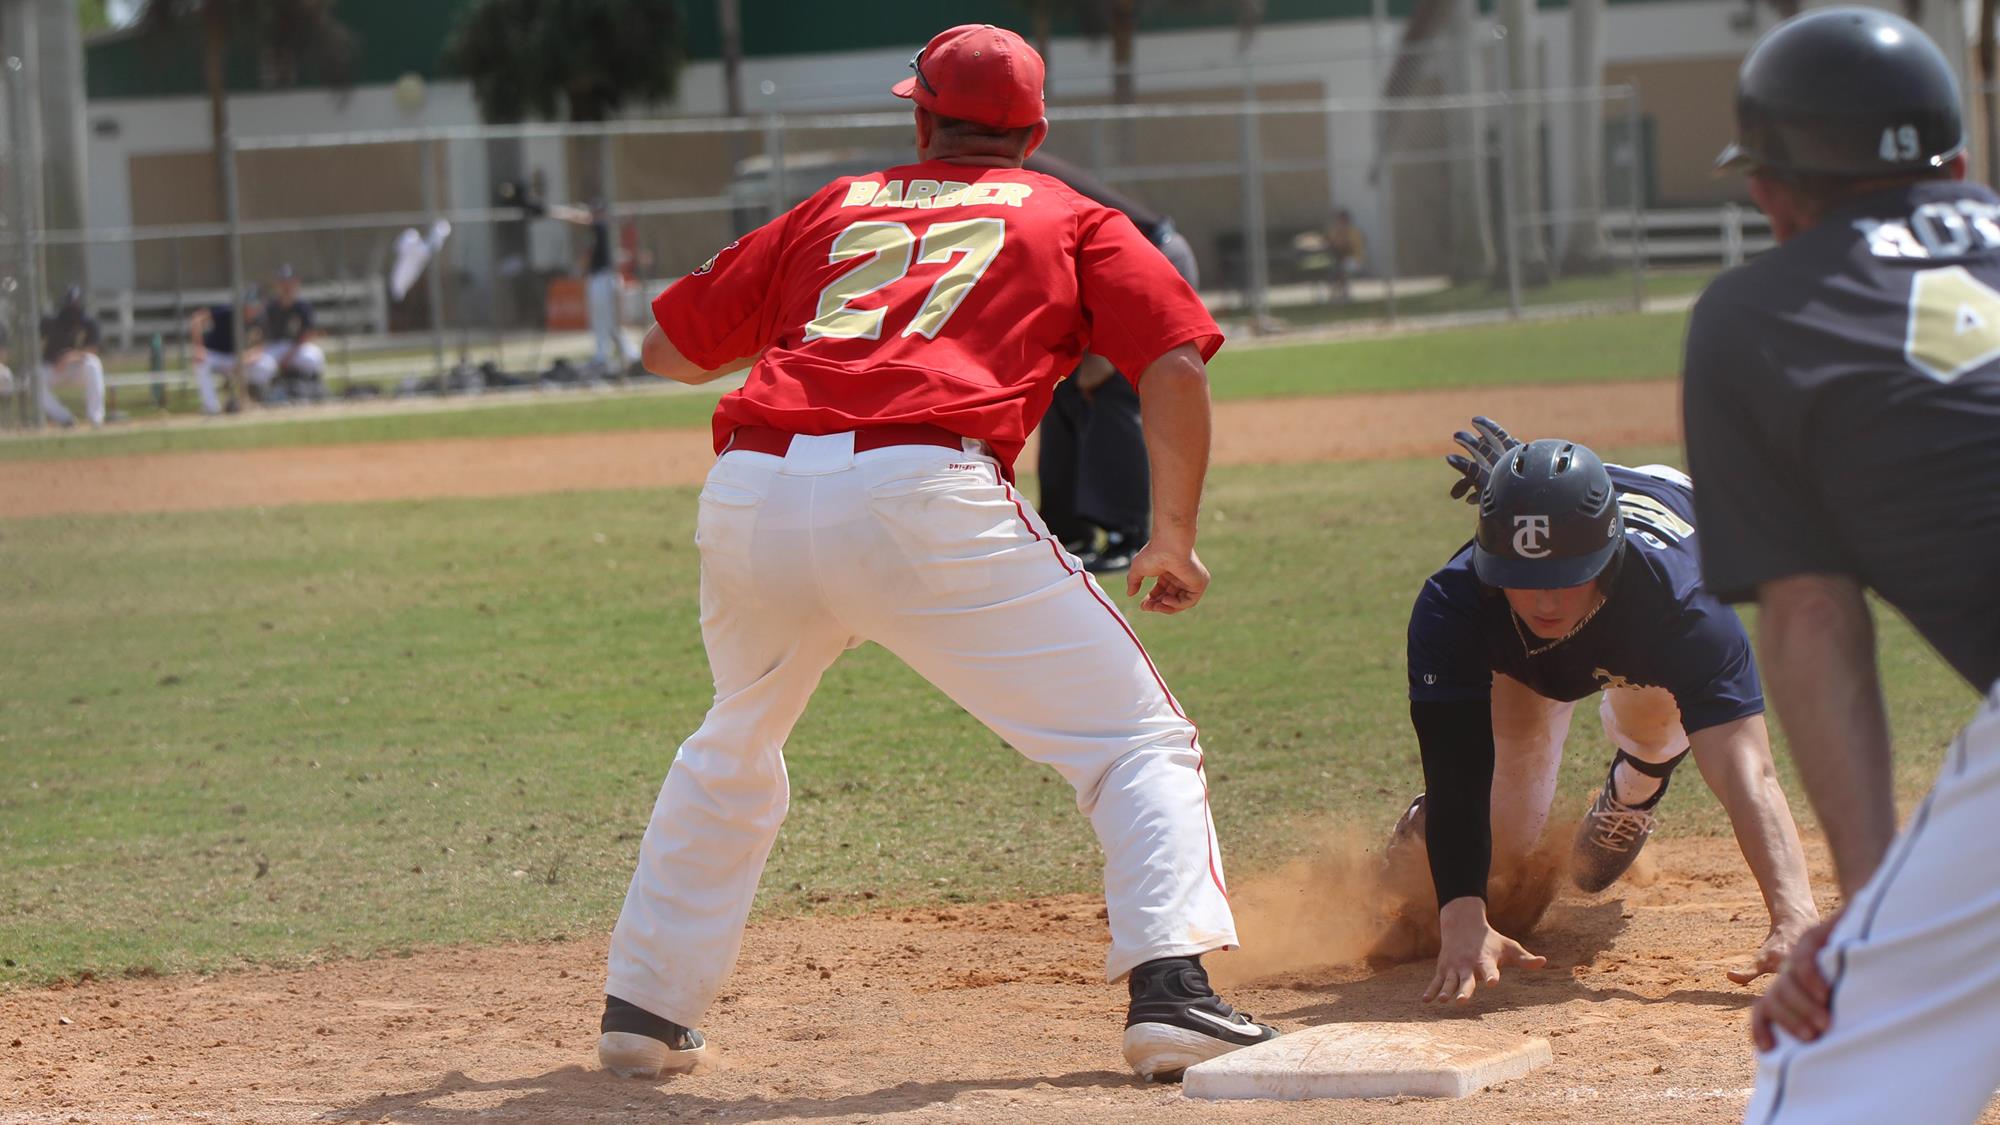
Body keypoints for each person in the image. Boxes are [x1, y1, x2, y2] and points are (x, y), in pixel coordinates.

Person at [597, 23, 1278, 1085]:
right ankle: (1170, 993)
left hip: (752, 491)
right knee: (1135, 742)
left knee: (734, 738)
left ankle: (644, 1007)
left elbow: (666, 352)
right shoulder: (1072, 215)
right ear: (1034, 133)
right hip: (920, 491)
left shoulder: (834, 203)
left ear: (919, 118)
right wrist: (1171, 536)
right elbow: (1174, 361)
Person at [1682, 9, 2000, 1122]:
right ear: (1954, 165)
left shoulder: (1754, 315)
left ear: (1768, 190)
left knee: (1836, 1064)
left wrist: (1872, 923)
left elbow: (1810, 618)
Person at [1399, 422, 1818, 1005]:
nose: (1546, 602)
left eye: (1567, 577)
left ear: (1608, 556)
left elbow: (1747, 766)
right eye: (1524, 578)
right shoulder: (1455, 603)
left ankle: (1637, 785)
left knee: (1656, 722)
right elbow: (1457, 767)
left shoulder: (1684, 608)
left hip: (1644, 641)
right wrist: (1462, 914)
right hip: (1522, 664)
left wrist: (1794, 915)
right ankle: (1424, 827)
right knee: (1500, 841)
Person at [1024, 151, 1198, 573]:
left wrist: (1097, 353)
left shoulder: (1013, 176)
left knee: (1109, 389)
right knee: (1061, 391)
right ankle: (1067, 531)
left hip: (1147, 261)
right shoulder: (991, 173)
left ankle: (1128, 532)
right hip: (1086, 275)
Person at [549, 198, 640, 378]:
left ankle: (616, 356)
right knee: (608, 322)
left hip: (604, 279)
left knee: (605, 321)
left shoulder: (602, 225)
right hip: (606, 278)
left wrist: (556, 211)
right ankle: (621, 356)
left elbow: (583, 218)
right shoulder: (604, 230)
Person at [36, 285, 108, 429]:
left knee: (93, 364)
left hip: (77, 368)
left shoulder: (89, 322)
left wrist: (70, 356)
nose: (73, 306)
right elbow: (34, 342)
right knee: (33, 378)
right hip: (54, 368)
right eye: (71, 303)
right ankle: (65, 418)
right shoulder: (53, 321)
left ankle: (96, 419)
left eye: (76, 302)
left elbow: (93, 349)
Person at [190, 293, 273, 415]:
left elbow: (261, 347)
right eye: (249, 306)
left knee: (267, 365)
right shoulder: (227, 311)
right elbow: (197, 319)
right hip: (216, 354)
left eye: (255, 306)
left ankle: (254, 399)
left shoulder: (260, 318)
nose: (252, 310)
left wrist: (246, 359)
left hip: (239, 357)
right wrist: (198, 348)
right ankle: (212, 407)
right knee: (200, 362)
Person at [263, 265, 327, 403]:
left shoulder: (303, 306)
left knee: (314, 357)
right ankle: (264, 394)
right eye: (283, 282)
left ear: (296, 283)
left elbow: (309, 333)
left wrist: (288, 356)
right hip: (273, 347)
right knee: (263, 365)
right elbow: (261, 333)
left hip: (296, 348)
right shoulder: (270, 306)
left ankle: (312, 389)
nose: (287, 286)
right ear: (277, 284)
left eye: (290, 282)